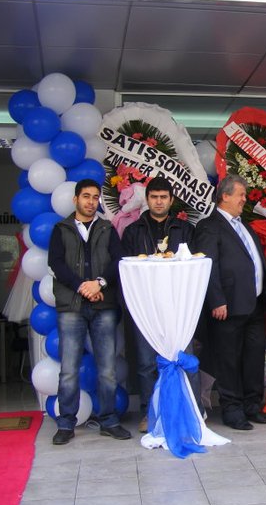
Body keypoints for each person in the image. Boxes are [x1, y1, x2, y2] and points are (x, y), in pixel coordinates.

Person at [48, 179, 131, 445]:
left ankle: (109, 421)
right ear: (76, 199)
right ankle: (66, 423)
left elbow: (118, 260)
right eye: (86, 196)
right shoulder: (61, 229)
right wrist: (83, 287)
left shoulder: (107, 228)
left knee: (107, 369)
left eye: (96, 197)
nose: (91, 202)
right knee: (69, 369)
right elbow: (56, 264)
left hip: (103, 306)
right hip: (71, 307)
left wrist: (99, 284)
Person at [121, 176, 201, 433]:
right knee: (146, 364)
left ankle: (190, 412)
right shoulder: (133, 231)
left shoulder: (185, 230)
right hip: (146, 307)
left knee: (183, 359)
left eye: (163, 197)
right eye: (154, 197)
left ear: (171, 200)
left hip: (178, 307)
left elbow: (195, 267)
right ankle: (150, 413)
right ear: (147, 200)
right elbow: (124, 270)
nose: (158, 202)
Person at [195, 174, 266, 431]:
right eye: (240, 194)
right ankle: (232, 410)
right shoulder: (209, 226)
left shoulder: (244, 226)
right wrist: (217, 300)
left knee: (254, 359)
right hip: (228, 307)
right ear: (225, 196)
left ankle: (252, 406)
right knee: (228, 360)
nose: (244, 199)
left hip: (254, 305)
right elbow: (208, 265)